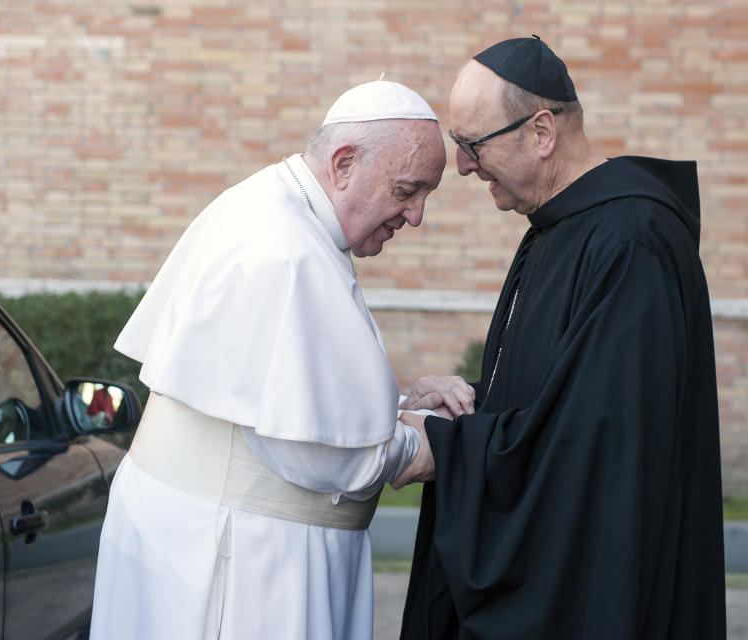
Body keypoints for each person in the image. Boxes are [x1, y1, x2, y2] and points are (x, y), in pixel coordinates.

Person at [89, 80, 474, 639]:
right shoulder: (285, 248)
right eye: (407, 190)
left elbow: (282, 391)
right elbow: (320, 455)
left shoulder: (281, 212)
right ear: (344, 164)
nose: (415, 216)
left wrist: (395, 407)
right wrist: (427, 437)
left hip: (216, 538)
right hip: (242, 559)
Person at [398, 36, 726, 638]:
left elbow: (600, 445)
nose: (464, 167)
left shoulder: (632, 241)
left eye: (472, 145)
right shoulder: (557, 229)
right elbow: (559, 391)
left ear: (542, 131)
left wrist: (449, 447)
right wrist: (471, 399)